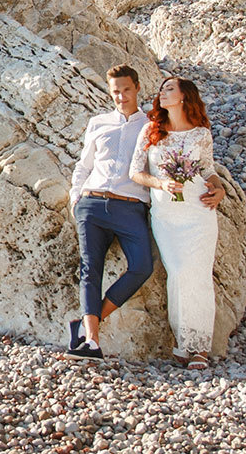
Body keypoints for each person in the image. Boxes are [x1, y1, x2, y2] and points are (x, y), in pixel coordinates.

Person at [64, 65, 223, 361]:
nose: (120, 96)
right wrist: (76, 198)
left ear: (137, 88)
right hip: (95, 202)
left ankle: (89, 321)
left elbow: (205, 167)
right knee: (91, 268)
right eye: (115, 91)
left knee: (142, 267)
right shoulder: (103, 123)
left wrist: (219, 188)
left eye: (125, 89)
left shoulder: (153, 125)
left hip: (134, 207)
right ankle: (92, 339)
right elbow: (85, 166)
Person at [131, 75, 222, 370]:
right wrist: (160, 183)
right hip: (167, 213)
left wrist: (218, 188)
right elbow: (135, 173)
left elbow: (208, 169)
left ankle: (198, 349)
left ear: (184, 97)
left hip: (199, 211)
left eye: (170, 89)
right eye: (161, 89)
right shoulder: (151, 130)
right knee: (180, 272)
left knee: (199, 274)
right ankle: (184, 340)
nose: (162, 92)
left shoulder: (201, 134)